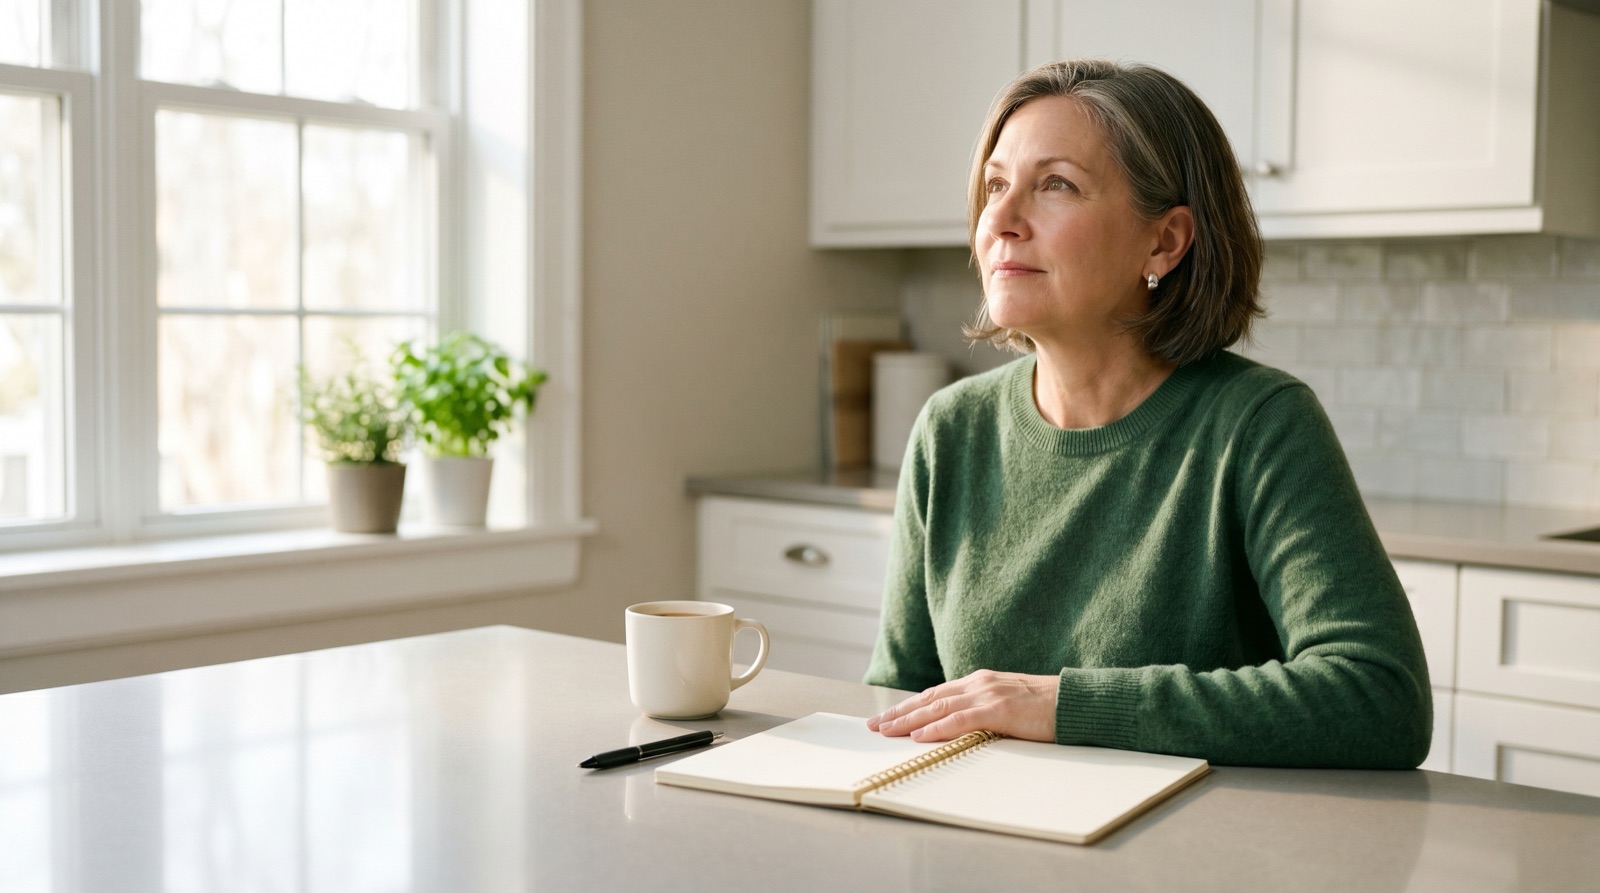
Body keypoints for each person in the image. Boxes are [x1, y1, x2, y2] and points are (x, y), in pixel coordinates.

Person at [862, 59, 1432, 769]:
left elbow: (1380, 698)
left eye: (1055, 185)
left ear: (1164, 241)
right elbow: (899, 694)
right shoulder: (950, 431)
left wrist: (1062, 705)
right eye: (996, 186)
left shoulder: (1259, 425)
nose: (1001, 221)